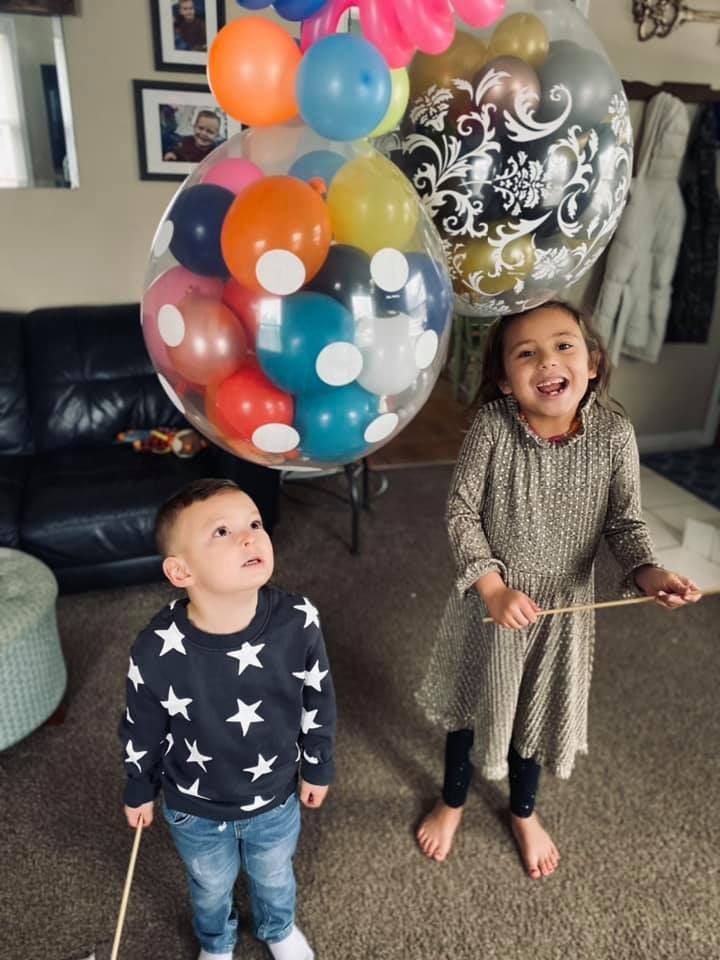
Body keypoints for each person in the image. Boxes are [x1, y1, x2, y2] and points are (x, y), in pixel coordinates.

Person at [415, 301, 701, 877]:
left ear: (591, 363)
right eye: (526, 353)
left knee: (536, 712)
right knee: (470, 707)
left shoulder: (614, 434)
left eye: (563, 345)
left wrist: (649, 574)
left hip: (563, 612)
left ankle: (524, 812)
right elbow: (462, 513)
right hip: (491, 603)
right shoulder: (492, 428)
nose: (547, 360)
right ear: (504, 379)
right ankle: (453, 801)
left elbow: (625, 525)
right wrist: (492, 588)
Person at [119, 478, 335, 960]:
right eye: (222, 531)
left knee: (274, 873)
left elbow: (317, 696)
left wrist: (318, 764)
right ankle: (216, 942)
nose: (248, 537)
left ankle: (278, 928)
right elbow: (141, 726)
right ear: (181, 570)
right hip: (194, 807)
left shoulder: (298, 620)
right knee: (209, 884)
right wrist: (139, 785)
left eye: (254, 524)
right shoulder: (155, 648)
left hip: (275, 795)